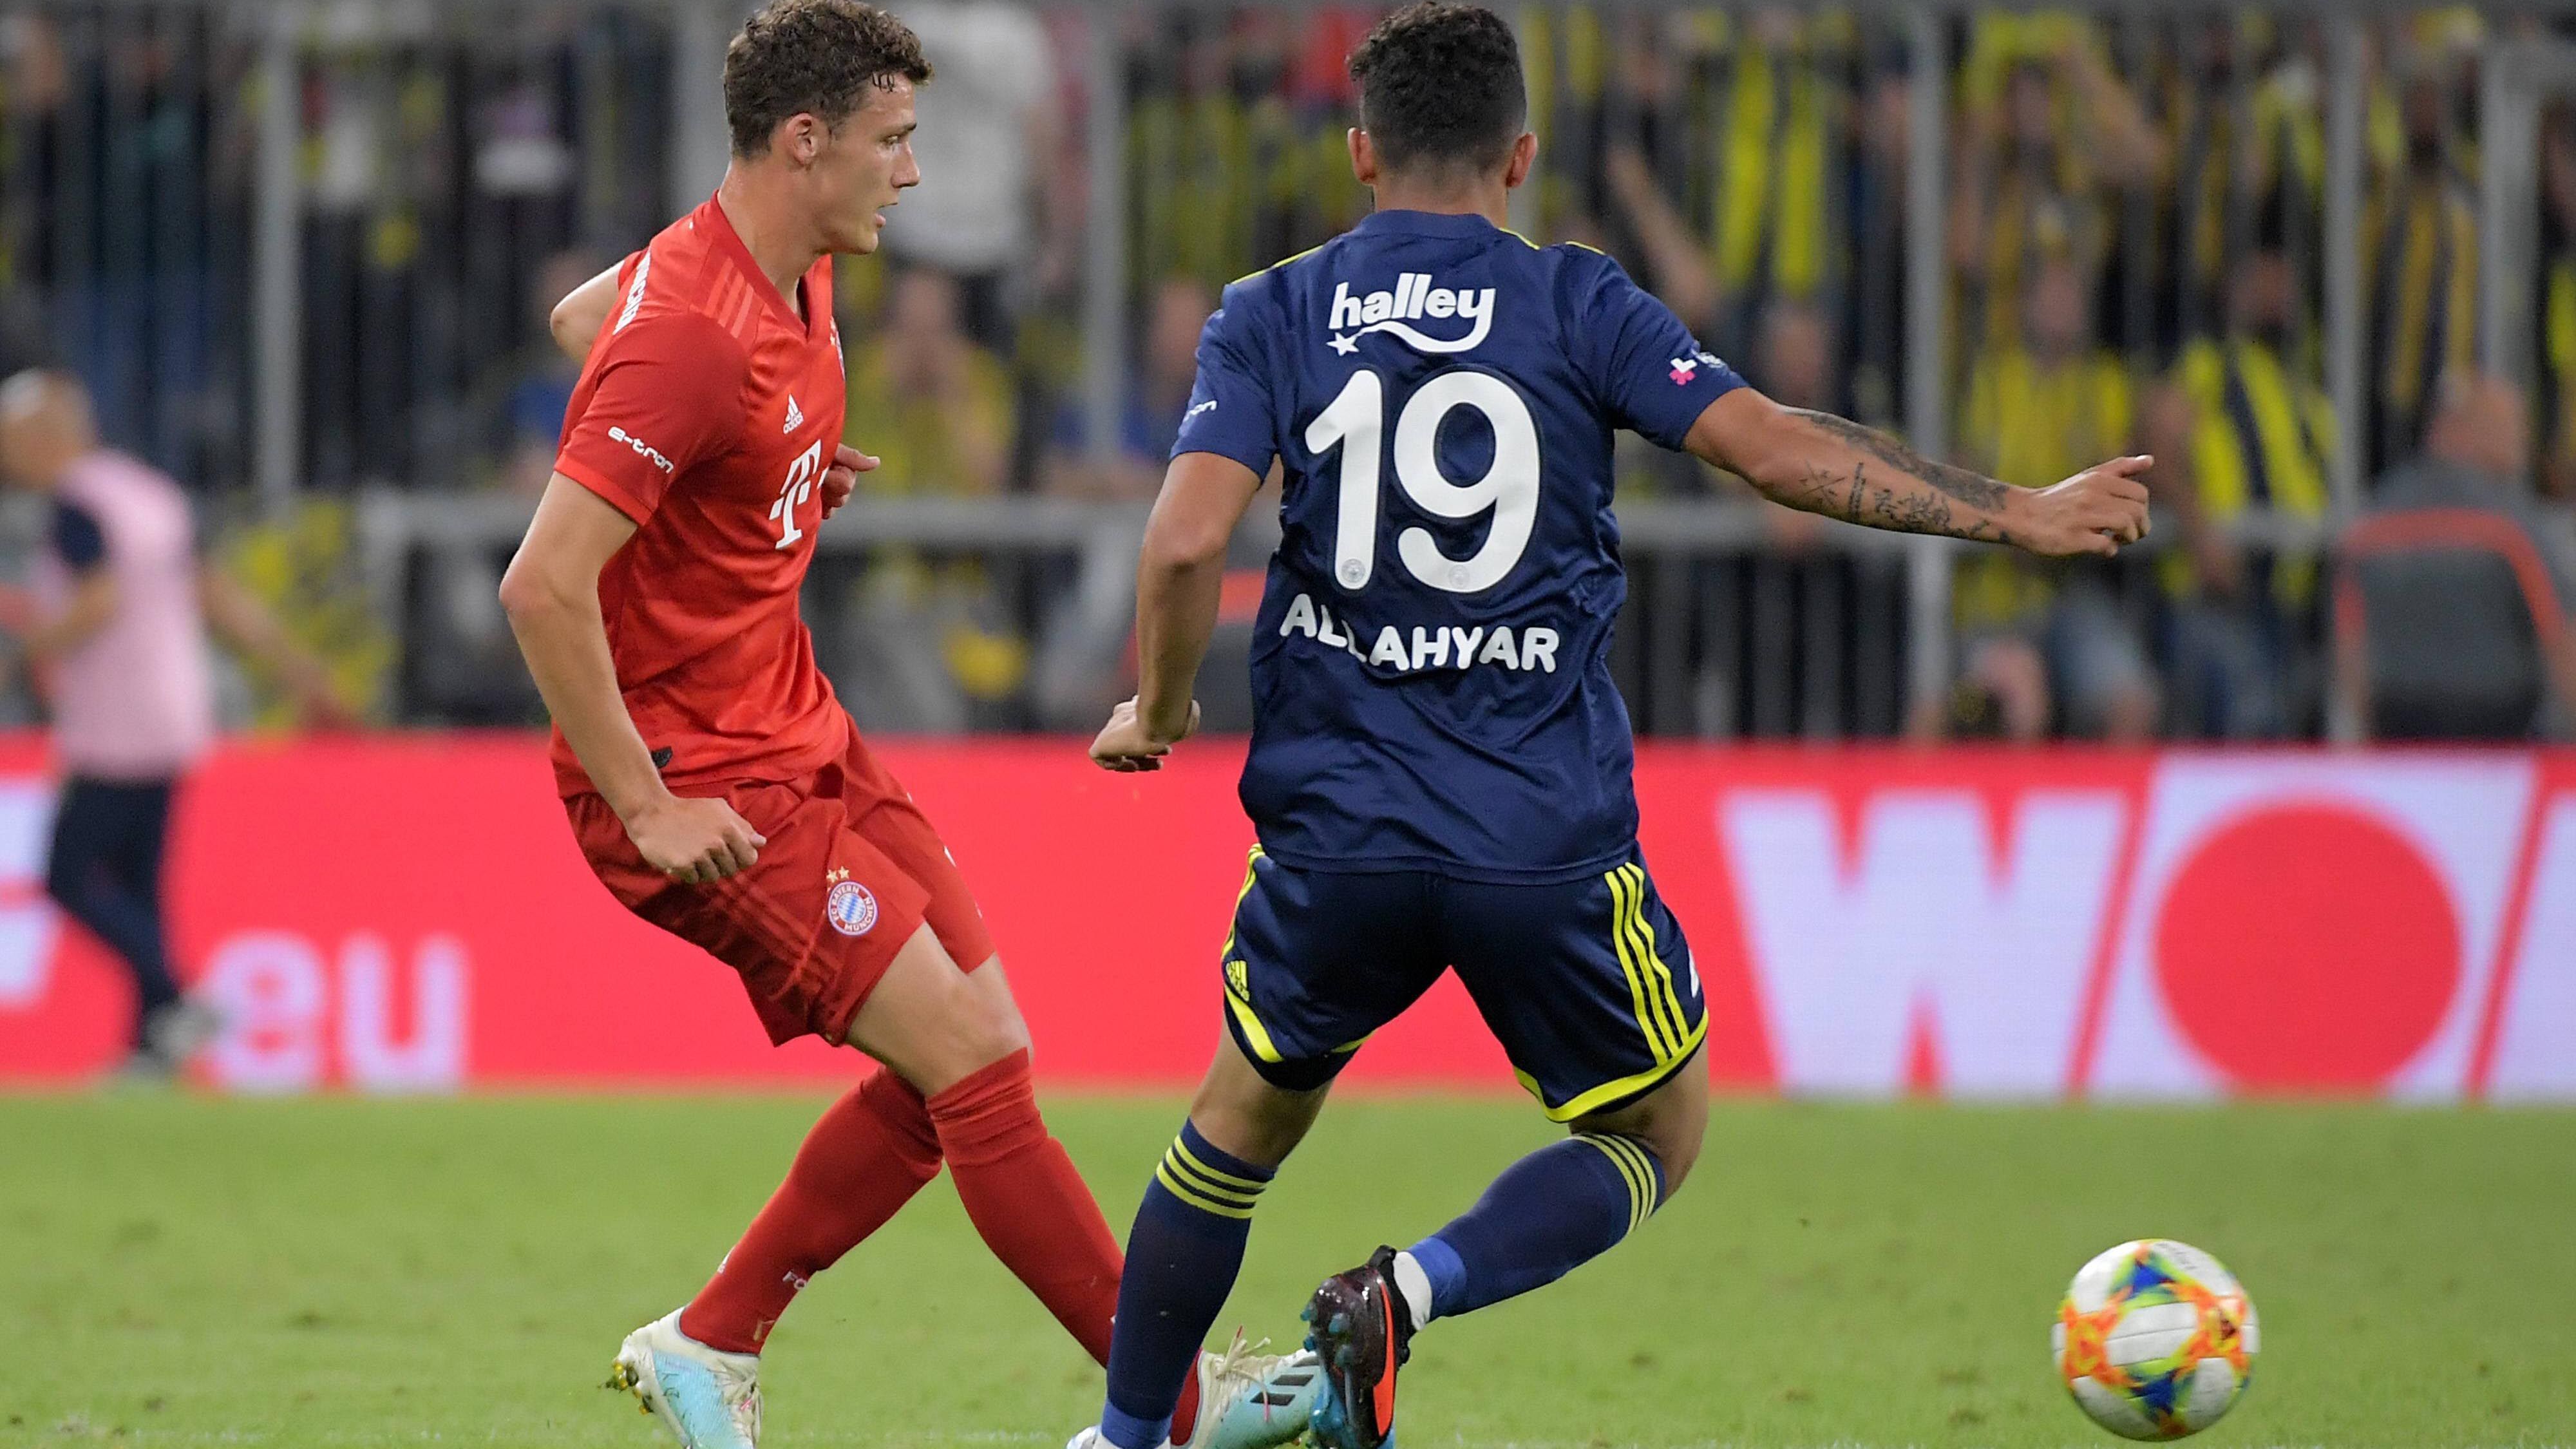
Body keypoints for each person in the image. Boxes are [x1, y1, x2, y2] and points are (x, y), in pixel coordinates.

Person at [1069, 8, 2153, 1449]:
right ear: (1520, 156)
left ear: (1356, 155)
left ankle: (1129, 1440)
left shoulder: (1271, 309)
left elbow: (1184, 539)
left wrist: (1160, 705)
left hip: (1341, 831)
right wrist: (2009, 511)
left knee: (1234, 1133)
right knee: (1652, 1130)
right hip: (1537, 831)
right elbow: (1771, 448)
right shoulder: (1579, 303)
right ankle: (1407, 1291)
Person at [506, 6, 1313, 1448]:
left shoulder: (775, 271)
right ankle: (1176, 1411)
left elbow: (582, 321)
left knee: (976, 1043)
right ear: (803, 142)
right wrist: (646, 806)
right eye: (893, 141)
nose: (915, 174)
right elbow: (541, 588)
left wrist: (772, 470)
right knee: (976, 1069)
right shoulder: (693, 330)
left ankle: (710, 1341)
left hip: (803, 729)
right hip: (706, 778)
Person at [0, 369, 348, 1080]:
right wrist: (298, 669)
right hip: (175, 710)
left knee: (67, 876)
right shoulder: (147, 493)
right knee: (139, 883)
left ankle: (178, 995)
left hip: (114, 722)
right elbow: (214, 593)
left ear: (44, 438)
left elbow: (97, 602)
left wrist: (24, 654)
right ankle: (150, 1047)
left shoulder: (76, 506)